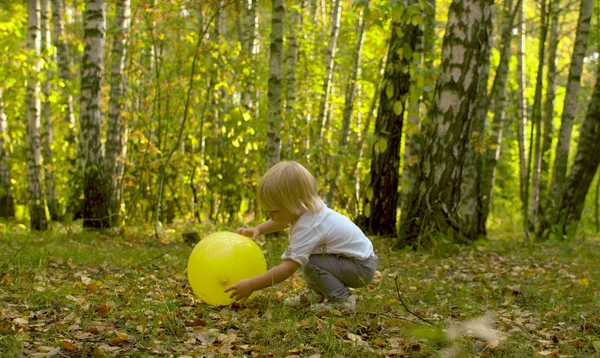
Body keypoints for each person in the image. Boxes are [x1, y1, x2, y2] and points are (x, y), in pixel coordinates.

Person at [225, 161, 378, 310]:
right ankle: (318, 293)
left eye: (274, 210)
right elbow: (283, 221)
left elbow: (288, 268)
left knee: (311, 262)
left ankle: (342, 300)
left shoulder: (310, 225)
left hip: (360, 268)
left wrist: (251, 284)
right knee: (312, 259)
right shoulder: (308, 209)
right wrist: (260, 228)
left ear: (297, 204)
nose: (269, 215)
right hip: (359, 261)